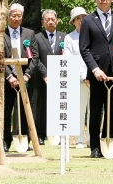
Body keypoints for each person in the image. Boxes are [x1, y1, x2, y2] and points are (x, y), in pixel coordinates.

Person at [79, 0, 113, 159]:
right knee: (95, 109)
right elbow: (84, 48)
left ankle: (109, 143)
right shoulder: (87, 20)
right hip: (97, 73)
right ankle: (94, 147)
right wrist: (94, 69)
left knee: (112, 109)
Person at [2, 3, 39, 152]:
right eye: (13, 15)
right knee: (5, 110)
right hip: (6, 79)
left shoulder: (29, 34)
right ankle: (5, 140)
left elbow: (35, 57)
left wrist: (27, 75)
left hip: (25, 78)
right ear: (8, 17)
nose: (16, 19)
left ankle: (24, 139)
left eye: (19, 16)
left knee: (25, 110)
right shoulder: (1, 33)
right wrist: (9, 76)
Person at [32, 9, 66, 145]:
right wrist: (45, 74)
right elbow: (35, 57)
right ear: (42, 22)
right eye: (47, 19)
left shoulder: (64, 37)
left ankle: (57, 134)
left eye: (53, 19)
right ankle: (40, 134)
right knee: (40, 107)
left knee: (58, 106)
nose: (50, 21)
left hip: (60, 78)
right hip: (41, 78)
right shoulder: (36, 37)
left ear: (57, 21)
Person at [64, 6, 89, 149]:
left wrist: (91, 74)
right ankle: (79, 139)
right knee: (79, 109)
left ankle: (92, 138)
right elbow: (69, 59)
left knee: (94, 109)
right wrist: (82, 76)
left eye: (83, 18)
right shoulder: (69, 38)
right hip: (78, 78)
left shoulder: (93, 34)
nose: (81, 21)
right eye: (78, 18)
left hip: (94, 77)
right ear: (73, 21)